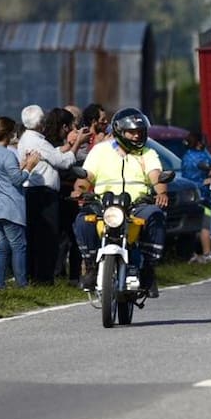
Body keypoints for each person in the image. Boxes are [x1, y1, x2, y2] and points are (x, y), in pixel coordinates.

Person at [74, 108, 169, 297]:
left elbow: (156, 176)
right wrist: (80, 191)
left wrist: (161, 193)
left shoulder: (147, 153)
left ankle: (148, 270)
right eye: (131, 132)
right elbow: (86, 177)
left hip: (137, 206)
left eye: (139, 132)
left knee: (156, 216)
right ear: (119, 131)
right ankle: (91, 265)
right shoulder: (100, 151)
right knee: (82, 220)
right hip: (103, 205)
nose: (136, 136)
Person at [17, 104, 82, 284]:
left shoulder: (27, 138)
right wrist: (77, 144)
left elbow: (52, 154)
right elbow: (62, 162)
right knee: (47, 236)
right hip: (43, 193)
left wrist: (66, 146)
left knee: (35, 235)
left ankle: (34, 275)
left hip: (32, 191)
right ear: (40, 123)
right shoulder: (38, 141)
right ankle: (44, 278)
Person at [0, 117, 40, 289]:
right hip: (9, 207)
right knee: (19, 246)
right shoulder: (8, 154)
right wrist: (30, 166)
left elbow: (5, 173)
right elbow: (16, 179)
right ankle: (22, 283)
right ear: (9, 134)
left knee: (2, 248)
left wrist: (22, 164)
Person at [181, 130, 211, 264]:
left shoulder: (186, 155)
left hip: (190, 195)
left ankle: (192, 253)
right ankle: (207, 253)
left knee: (193, 226)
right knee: (205, 224)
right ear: (200, 142)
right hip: (202, 195)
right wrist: (209, 178)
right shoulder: (200, 157)